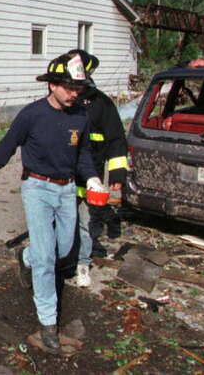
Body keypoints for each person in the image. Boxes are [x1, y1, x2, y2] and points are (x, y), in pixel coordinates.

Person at [0, 52, 101, 354]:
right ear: (52, 85)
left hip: (67, 190)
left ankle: (27, 258)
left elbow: (82, 154)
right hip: (37, 188)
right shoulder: (32, 115)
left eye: (78, 88)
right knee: (47, 260)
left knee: (62, 249)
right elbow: (7, 145)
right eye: (69, 87)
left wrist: (93, 178)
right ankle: (47, 327)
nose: (74, 93)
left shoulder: (80, 116)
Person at [67, 49, 129, 260]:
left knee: (89, 215)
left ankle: (85, 250)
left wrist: (117, 174)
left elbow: (116, 140)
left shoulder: (100, 103)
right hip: (62, 172)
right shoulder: (61, 100)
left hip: (90, 172)